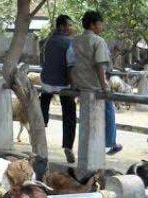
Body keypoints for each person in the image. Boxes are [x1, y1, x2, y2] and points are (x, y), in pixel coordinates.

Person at [69, 10, 122, 155]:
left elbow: (70, 64)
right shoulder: (99, 41)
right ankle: (111, 142)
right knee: (109, 108)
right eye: (100, 23)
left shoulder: (75, 40)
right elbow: (100, 66)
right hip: (93, 84)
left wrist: (74, 83)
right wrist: (105, 88)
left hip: (79, 84)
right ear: (92, 24)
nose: (102, 26)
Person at [41, 14, 77, 163]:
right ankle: (68, 146)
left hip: (46, 82)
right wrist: (73, 85)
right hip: (63, 84)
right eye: (69, 25)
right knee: (69, 113)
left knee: (42, 104)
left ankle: (42, 125)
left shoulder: (45, 41)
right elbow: (71, 67)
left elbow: (43, 61)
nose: (71, 28)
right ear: (62, 26)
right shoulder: (70, 43)